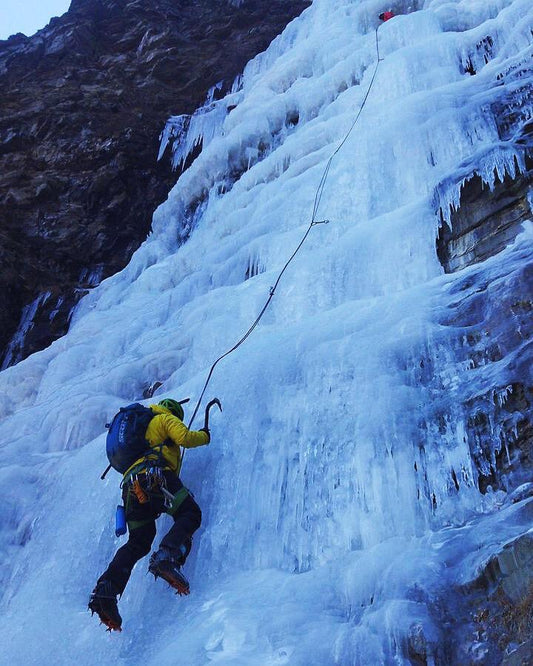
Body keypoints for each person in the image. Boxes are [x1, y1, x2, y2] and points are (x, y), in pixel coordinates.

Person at [89, 398, 211, 631]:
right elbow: (186, 438)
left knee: (138, 542)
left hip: (130, 490)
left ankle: (106, 590)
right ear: (174, 413)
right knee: (189, 512)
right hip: (154, 477)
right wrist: (205, 435)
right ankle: (167, 556)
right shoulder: (164, 418)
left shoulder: (140, 427)